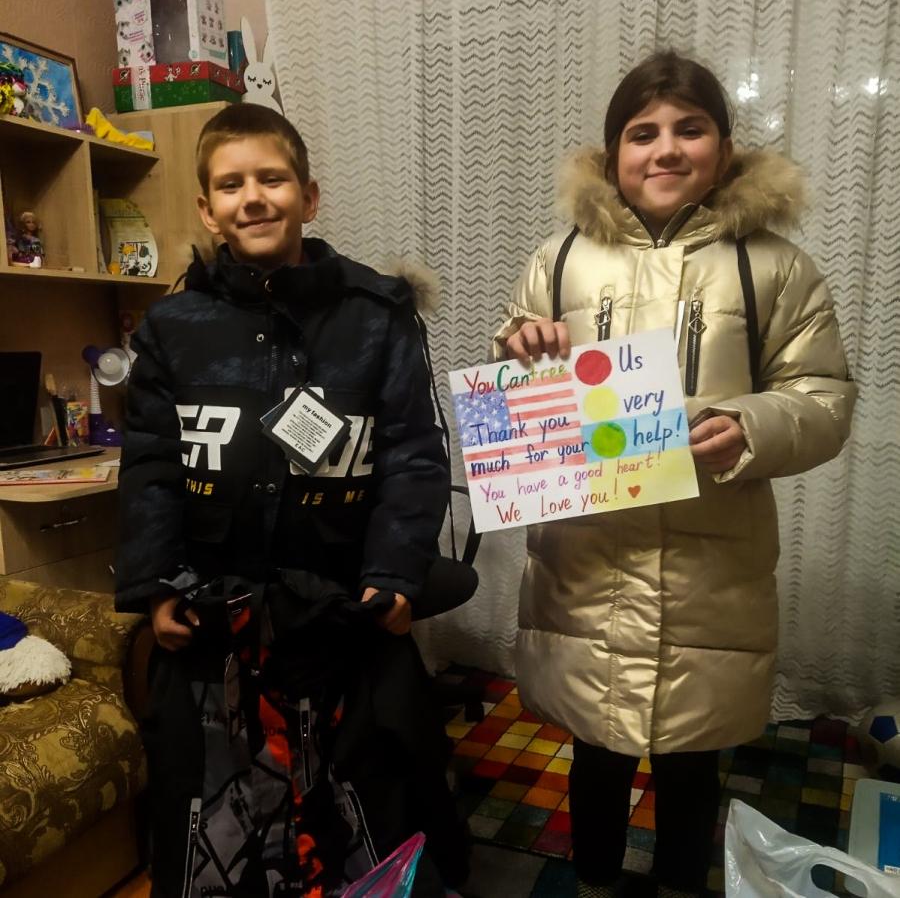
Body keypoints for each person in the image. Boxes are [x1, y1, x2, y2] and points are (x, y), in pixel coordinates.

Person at [493, 51, 856, 898]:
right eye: (642, 133)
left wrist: (753, 426)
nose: (665, 149)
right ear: (611, 152)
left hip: (709, 566)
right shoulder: (559, 258)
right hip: (588, 563)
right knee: (595, 752)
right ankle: (592, 882)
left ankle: (684, 884)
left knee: (693, 759)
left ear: (724, 148)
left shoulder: (774, 266)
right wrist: (522, 351)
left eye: (689, 130)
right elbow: (518, 387)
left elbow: (824, 397)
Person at [115, 103, 467, 897]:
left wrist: (396, 576)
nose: (253, 198)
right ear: (207, 208)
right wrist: (155, 587)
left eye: (272, 179)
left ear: (309, 197)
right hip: (214, 619)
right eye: (231, 185)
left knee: (369, 805)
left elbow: (414, 453)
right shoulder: (172, 326)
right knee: (217, 820)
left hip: (345, 614)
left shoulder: (377, 314)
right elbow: (151, 464)